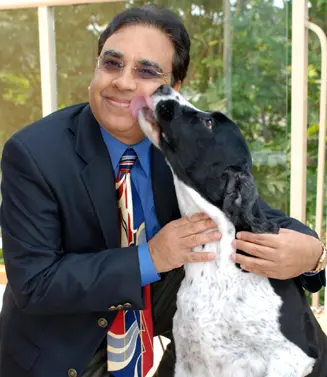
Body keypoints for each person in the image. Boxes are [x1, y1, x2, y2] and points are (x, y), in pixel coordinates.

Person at [0, 5, 325, 377]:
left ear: (173, 88)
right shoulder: (34, 153)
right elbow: (36, 283)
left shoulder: (181, 140)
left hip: (163, 311)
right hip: (66, 343)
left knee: (271, 280)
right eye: (112, 64)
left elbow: (248, 210)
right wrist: (151, 257)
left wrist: (311, 253)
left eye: (146, 71)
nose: (122, 82)